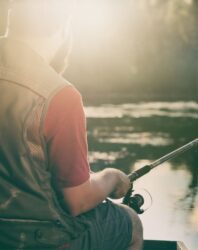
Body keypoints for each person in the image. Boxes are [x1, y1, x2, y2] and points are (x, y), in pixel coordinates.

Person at [0, 1, 143, 249]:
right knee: (130, 223)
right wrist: (111, 178)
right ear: (63, 28)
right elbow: (75, 201)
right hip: (35, 238)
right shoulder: (60, 95)